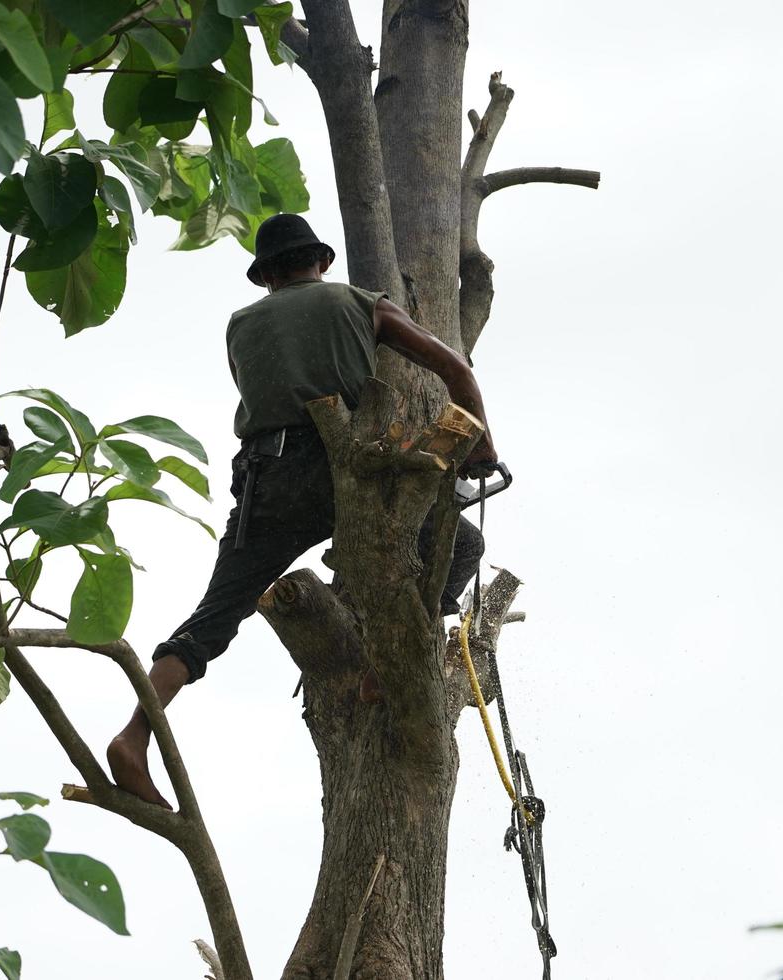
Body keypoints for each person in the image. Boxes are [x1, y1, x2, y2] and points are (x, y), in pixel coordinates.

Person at [106, 214, 500, 808]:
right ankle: (388, 663)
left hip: (266, 478)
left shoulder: (240, 325)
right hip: (345, 471)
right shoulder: (359, 302)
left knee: (215, 615)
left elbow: (261, 388)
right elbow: (455, 368)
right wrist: (484, 446)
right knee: (461, 546)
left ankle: (134, 736)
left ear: (265, 276)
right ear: (321, 261)